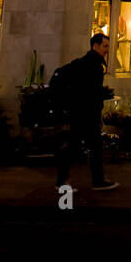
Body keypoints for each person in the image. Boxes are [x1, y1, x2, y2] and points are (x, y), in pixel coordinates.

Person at [55, 33, 119, 192]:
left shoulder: (87, 63)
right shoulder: (92, 65)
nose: (107, 50)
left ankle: (95, 180)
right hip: (85, 113)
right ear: (95, 46)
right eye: (105, 46)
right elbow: (90, 91)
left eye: (108, 47)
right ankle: (67, 181)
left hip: (82, 112)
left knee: (88, 146)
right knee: (78, 146)